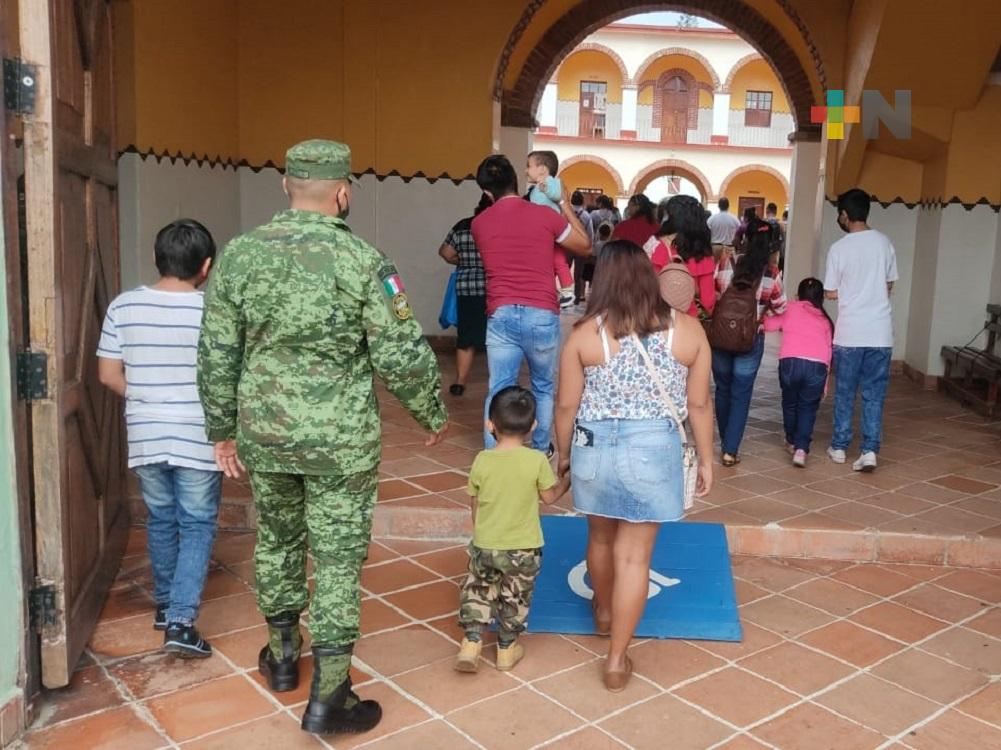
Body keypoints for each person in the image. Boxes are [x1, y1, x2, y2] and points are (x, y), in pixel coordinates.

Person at [197, 140, 449, 737]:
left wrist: (221, 431)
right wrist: (431, 413)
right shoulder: (366, 261)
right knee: (336, 558)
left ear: (286, 185)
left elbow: (216, 351)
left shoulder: (239, 256)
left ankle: (283, 655)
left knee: (278, 539)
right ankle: (331, 694)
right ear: (342, 192)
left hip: (266, 434)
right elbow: (401, 351)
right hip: (341, 443)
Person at [554, 240, 713, 692]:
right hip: (653, 451)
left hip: (594, 450)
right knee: (633, 557)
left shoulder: (585, 334)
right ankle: (616, 659)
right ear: (650, 276)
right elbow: (699, 405)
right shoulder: (687, 331)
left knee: (600, 537)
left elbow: (566, 406)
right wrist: (706, 458)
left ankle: (604, 612)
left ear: (600, 280)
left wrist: (563, 456)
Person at [97, 219, 223, 659]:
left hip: (146, 435)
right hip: (197, 436)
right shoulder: (213, 312)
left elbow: (108, 375)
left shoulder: (124, 306)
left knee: (162, 519)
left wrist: (147, 398)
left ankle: (167, 604)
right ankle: (181, 622)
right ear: (206, 266)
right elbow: (226, 377)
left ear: (156, 258)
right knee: (197, 524)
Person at [471, 154, 591, 455]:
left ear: (486, 192)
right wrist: (562, 202)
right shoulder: (545, 216)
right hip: (541, 312)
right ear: (515, 179)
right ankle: (539, 450)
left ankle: (495, 454)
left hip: (500, 314)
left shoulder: (479, 224)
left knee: (498, 387)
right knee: (543, 386)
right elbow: (584, 245)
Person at [455, 386, 569, 673]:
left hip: (486, 543)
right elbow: (549, 497)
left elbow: (474, 501)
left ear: (489, 424)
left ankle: (471, 643)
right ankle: (506, 649)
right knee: (515, 596)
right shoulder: (536, 460)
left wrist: (481, 532)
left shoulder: (482, 460)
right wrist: (567, 481)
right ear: (533, 426)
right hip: (523, 547)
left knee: (478, 589)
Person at [824, 187, 899, 473]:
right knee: (874, 395)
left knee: (845, 392)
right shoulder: (884, 243)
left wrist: (849, 292)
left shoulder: (839, 248)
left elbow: (830, 292)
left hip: (850, 333)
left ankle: (839, 447)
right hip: (880, 333)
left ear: (844, 215)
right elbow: (889, 286)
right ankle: (869, 451)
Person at [713, 216, 788, 466]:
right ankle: (730, 449)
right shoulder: (771, 273)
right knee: (741, 393)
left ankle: (725, 438)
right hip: (750, 339)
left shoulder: (727, 262)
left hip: (722, 336)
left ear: (744, 238)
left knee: (723, 389)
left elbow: (715, 293)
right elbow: (781, 306)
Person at [763, 278, 834, 467]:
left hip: (790, 363)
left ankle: (791, 441)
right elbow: (829, 353)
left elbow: (768, 325)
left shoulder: (789, 308)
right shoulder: (825, 319)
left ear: (798, 295)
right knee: (807, 408)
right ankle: (801, 450)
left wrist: (766, 309)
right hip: (817, 367)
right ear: (821, 298)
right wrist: (825, 384)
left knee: (789, 403)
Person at [438, 195, 492, 396]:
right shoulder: (499, 226)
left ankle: (460, 381)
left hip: (466, 287)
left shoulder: (463, 225)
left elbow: (445, 252)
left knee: (466, 337)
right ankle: (499, 382)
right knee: (496, 336)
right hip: (494, 288)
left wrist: (465, 262)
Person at [650, 194, 717, 320]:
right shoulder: (702, 253)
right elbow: (707, 301)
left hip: (659, 318)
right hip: (690, 321)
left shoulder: (656, 246)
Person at [525, 150, 576, 308]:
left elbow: (557, 195)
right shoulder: (535, 189)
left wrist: (545, 187)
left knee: (558, 260)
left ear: (542, 169)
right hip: (540, 231)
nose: (526, 170)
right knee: (550, 261)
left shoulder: (552, 182)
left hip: (550, 230)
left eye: (529, 166)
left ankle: (568, 290)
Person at [571, 191, 595, 304]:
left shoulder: (567, 213)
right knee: (578, 274)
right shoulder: (586, 215)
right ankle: (576, 296)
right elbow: (590, 234)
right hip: (580, 247)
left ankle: (565, 295)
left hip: (568, 245)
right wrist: (589, 248)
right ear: (582, 201)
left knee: (564, 271)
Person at [707, 196, 740, 261]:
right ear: (728, 206)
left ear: (718, 206)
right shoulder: (734, 218)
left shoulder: (712, 219)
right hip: (729, 247)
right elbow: (739, 232)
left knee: (714, 266)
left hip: (715, 247)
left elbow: (707, 232)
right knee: (729, 267)